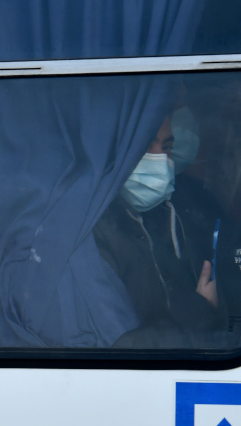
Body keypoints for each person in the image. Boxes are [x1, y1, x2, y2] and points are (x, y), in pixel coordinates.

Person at [94, 116, 228, 347]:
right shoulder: (94, 234)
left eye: (166, 148)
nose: (158, 159)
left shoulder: (177, 208)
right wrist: (201, 310)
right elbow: (121, 349)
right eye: (144, 147)